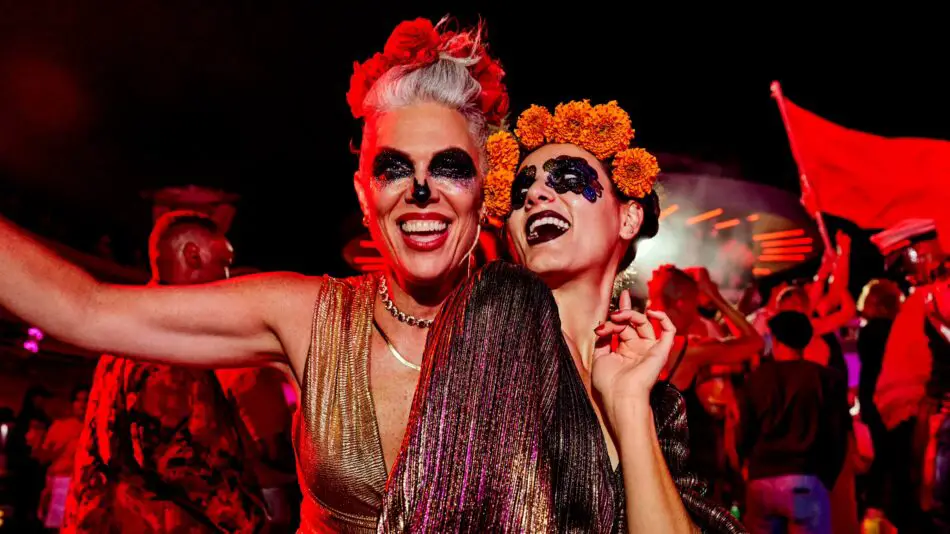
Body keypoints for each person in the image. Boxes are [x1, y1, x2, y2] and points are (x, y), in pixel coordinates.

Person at [0, 17, 507, 532]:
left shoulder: (529, 330)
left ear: (487, 188)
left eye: (450, 167)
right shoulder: (310, 318)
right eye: (393, 168)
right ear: (363, 195)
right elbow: (82, 308)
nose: (421, 189)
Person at [379, 100, 745, 532]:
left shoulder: (658, 402)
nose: (535, 195)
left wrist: (630, 406)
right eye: (521, 193)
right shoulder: (500, 302)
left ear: (629, 218)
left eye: (569, 180)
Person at [62, 211, 268, 533]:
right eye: (224, 263)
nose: (227, 278)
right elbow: (174, 459)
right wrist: (248, 520)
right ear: (193, 255)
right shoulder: (164, 340)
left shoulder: (133, 328)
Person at [738, 311, 851, 534]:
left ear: (776, 340)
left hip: (762, 479)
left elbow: (745, 431)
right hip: (804, 480)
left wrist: (746, 464)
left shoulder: (756, 379)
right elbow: (837, 435)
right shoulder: (825, 379)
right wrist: (827, 478)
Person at [35, 385, 88, 529]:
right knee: (56, 524)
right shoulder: (60, 426)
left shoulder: (96, 428)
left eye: (86, 400)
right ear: (72, 403)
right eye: (78, 400)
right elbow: (44, 456)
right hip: (61, 481)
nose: (82, 405)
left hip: (85, 487)